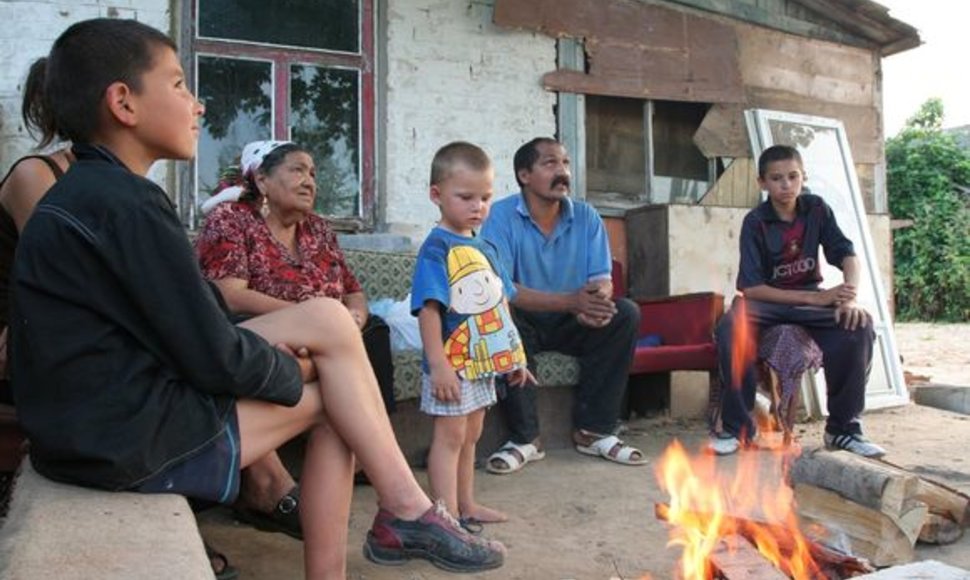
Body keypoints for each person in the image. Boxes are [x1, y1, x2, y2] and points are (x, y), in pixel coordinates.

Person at [10, 18, 503, 579]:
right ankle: (399, 513)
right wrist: (291, 371)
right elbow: (209, 353)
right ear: (123, 103)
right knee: (337, 402)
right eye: (177, 85)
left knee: (326, 320)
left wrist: (290, 357)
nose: (196, 106)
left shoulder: (92, 192)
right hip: (118, 440)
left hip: (89, 423)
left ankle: (401, 509)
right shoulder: (128, 204)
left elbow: (182, 324)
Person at [479, 137, 645, 474]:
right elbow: (500, 289)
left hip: (572, 319)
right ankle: (526, 439)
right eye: (550, 163)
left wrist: (596, 304)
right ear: (525, 175)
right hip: (524, 315)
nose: (562, 172)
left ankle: (594, 431)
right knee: (500, 319)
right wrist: (571, 301)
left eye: (565, 163)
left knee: (624, 314)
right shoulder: (500, 216)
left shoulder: (586, 216)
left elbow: (601, 278)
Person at [707, 144, 884, 458]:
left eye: (792, 176)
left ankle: (843, 429)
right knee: (731, 328)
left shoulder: (816, 209)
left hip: (810, 302)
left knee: (859, 327)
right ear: (762, 183)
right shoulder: (755, 221)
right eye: (776, 178)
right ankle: (736, 428)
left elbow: (848, 256)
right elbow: (752, 288)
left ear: (803, 177)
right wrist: (815, 299)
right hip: (767, 303)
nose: (785, 185)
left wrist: (848, 297)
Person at [195, 140, 396, 415]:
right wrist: (310, 319)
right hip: (263, 327)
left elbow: (352, 290)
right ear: (262, 180)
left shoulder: (318, 228)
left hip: (329, 332)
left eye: (312, 174)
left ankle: (374, 430)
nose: (309, 182)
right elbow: (230, 295)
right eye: (298, 170)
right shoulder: (232, 219)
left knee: (374, 331)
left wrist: (354, 319)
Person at [411, 141, 534, 528]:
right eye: (465, 197)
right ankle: (444, 517)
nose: (477, 206)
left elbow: (502, 306)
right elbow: (429, 310)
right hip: (452, 364)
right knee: (449, 437)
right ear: (437, 195)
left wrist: (515, 358)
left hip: (483, 364)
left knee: (471, 435)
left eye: (485, 197)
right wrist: (438, 365)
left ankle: (466, 506)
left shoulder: (487, 246)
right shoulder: (437, 249)